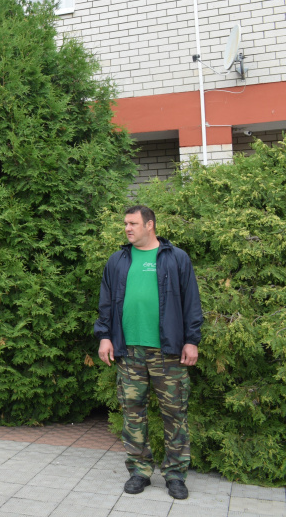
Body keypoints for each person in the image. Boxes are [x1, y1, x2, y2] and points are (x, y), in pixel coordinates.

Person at [94, 205, 203, 501]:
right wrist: (104, 337)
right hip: (128, 351)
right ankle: (139, 471)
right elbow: (106, 303)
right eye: (125, 224)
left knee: (174, 414)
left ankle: (175, 475)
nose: (127, 228)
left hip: (168, 352)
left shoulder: (175, 258)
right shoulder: (118, 260)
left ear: (150, 225)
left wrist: (191, 340)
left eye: (133, 223)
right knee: (132, 413)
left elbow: (191, 302)